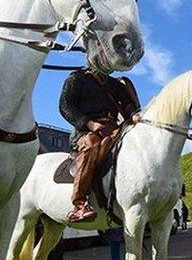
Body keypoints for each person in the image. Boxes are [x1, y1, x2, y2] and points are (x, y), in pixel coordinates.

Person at [59, 65, 140, 222]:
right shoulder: (77, 78)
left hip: (114, 129)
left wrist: (134, 115)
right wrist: (90, 124)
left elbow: (128, 105)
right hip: (86, 131)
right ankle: (79, 204)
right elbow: (65, 106)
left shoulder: (114, 84)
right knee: (91, 146)